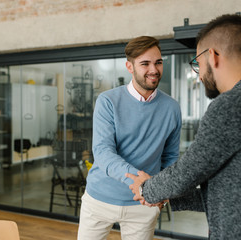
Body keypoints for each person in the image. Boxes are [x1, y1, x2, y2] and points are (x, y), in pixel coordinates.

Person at [127, 14, 241, 239]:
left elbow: (188, 171)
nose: (199, 76)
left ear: (212, 56)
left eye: (198, 64)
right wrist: (169, 196)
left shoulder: (233, 104)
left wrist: (147, 189)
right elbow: (239, 192)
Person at [77, 36, 182, 240]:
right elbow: (103, 152)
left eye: (158, 62)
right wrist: (141, 183)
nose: (154, 69)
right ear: (130, 66)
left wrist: (161, 189)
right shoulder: (108, 101)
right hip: (99, 199)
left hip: (142, 205)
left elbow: (170, 157)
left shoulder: (172, 108)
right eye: (145, 63)